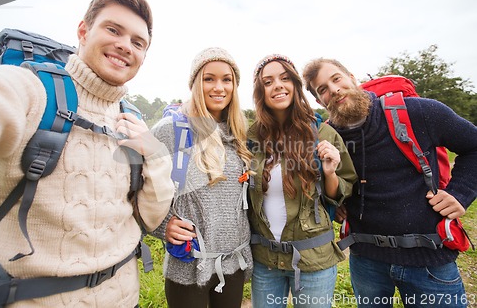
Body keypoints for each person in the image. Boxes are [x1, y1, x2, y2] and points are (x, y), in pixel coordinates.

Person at [0, 0, 174, 307]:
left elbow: (151, 217)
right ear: (83, 31)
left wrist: (153, 154)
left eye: (138, 42)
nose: (125, 46)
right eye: (113, 30)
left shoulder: (132, 119)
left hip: (124, 297)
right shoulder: (30, 90)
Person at [302, 58, 477, 308]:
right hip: (366, 260)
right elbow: (330, 182)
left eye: (336, 78)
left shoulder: (418, 112)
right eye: (323, 89)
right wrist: (338, 202)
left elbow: (473, 145)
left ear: (352, 77)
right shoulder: (328, 137)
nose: (334, 89)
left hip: (428, 259)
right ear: (320, 102)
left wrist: (460, 193)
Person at [248, 54, 357, 308]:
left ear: (295, 85)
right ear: (260, 92)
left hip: (313, 261)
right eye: (268, 81)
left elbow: (342, 191)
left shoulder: (324, 133)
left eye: (285, 78)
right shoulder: (251, 138)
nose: (277, 85)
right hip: (265, 261)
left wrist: (329, 172)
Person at [150, 47, 254, 308]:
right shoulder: (171, 131)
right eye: (209, 79)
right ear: (196, 83)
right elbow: (138, 191)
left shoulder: (240, 134)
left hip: (232, 264)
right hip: (189, 266)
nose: (218, 87)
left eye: (226, 79)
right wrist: (161, 226)